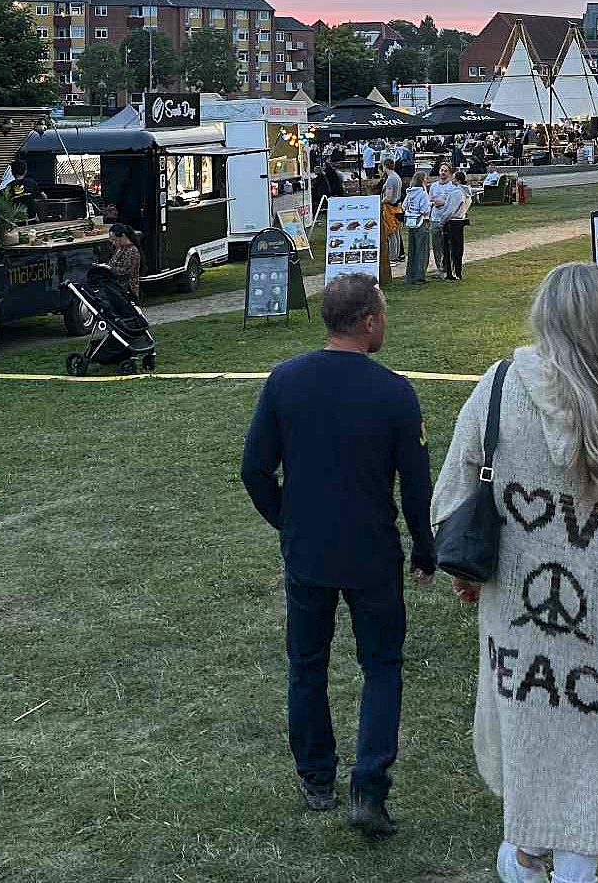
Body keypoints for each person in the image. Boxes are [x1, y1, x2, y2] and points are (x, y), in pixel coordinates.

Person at [434, 262, 598, 882]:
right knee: (595, 755)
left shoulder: (497, 389)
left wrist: (467, 571)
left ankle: (523, 857)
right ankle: (574, 867)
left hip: (519, 615)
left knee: (531, 739)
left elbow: (450, 498)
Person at [241, 274, 435, 838]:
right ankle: (368, 786)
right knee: (381, 666)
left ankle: (316, 778)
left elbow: (254, 469)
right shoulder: (394, 392)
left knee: (307, 664)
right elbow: (416, 487)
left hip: (308, 553)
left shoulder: (285, 382)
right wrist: (425, 550)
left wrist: (290, 521)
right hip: (373, 552)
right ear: (369, 322)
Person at [431, 163, 471, 282]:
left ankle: (452, 273)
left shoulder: (457, 192)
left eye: (453, 178)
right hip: (459, 220)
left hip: (452, 221)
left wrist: (442, 221)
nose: (451, 180)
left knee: (451, 249)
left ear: (457, 180)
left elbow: (450, 210)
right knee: (457, 248)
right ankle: (455, 271)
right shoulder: (466, 192)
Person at [403, 170, 433, 284]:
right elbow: (424, 210)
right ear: (422, 180)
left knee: (412, 250)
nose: (427, 180)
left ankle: (410, 275)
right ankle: (419, 277)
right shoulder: (423, 194)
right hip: (421, 222)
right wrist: (431, 205)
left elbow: (404, 205)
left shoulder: (410, 192)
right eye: (426, 178)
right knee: (422, 251)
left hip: (411, 223)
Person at [105, 224, 142, 300]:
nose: (113, 243)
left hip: (128, 290)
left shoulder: (132, 250)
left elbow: (125, 271)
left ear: (123, 236)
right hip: (117, 289)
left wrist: (109, 268)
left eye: (115, 240)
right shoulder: (120, 249)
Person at [381, 158, 406, 267]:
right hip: (397, 207)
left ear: (384, 166)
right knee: (395, 233)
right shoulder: (397, 177)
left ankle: (392, 257)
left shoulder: (391, 178)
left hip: (390, 208)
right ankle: (396, 256)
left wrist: (380, 201)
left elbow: (389, 197)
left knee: (391, 233)